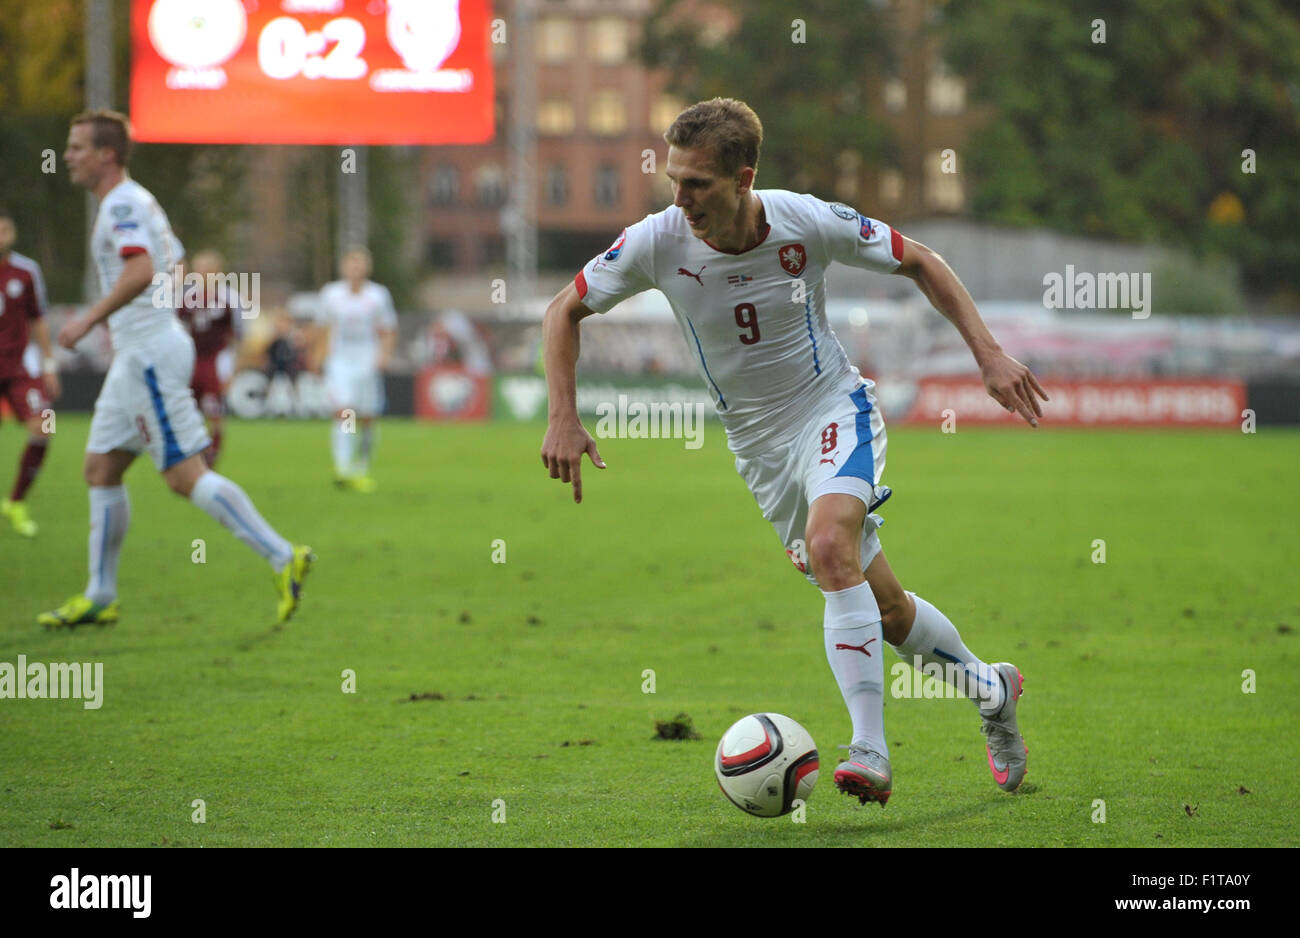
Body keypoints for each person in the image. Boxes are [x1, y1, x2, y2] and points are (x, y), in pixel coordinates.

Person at [540, 98, 1049, 806]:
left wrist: (989, 356)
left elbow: (921, 261)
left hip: (831, 408)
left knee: (831, 544)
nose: (680, 199)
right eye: (674, 180)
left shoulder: (806, 221)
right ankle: (993, 690)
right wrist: (563, 415)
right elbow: (562, 309)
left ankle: (869, 749)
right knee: (890, 610)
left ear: (744, 178)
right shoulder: (656, 242)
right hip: (759, 451)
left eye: (698, 185)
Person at [39, 109, 313, 629]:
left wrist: (89, 319)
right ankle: (100, 593)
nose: (68, 157)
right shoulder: (139, 200)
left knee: (184, 476)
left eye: (77, 148)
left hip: (147, 355)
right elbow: (175, 263)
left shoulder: (121, 204)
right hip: (142, 352)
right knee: (101, 469)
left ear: (107, 154)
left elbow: (142, 268)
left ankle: (283, 555)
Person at [314, 246, 396, 492]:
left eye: (360, 264)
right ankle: (343, 468)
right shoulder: (331, 294)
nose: (355, 269)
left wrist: (384, 355)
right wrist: (318, 356)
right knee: (345, 410)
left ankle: (362, 466)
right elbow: (323, 327)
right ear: (344, 268)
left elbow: (388, 329)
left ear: (367, 268)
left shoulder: (378, 295)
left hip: (368, 359)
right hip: (340, 360)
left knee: (368, 417)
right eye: (351, 264)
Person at [0, 206, 60, 537]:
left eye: (5, 230)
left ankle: (16, 501)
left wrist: (49, 365)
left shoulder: (26, 272)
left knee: (45, 426)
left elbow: (39, 319)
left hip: (20, 367)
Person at [176, 248, 239, 467]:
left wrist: (232, 368)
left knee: (215, 410)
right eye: (199, 269)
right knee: (188, 409)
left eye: (207, 270)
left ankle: (212, 453)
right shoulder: (185, 295)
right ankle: (192, 452)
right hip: (191, 359)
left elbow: (236, 336)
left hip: (216, 359)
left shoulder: (229, 297)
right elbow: (177, 328)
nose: (202, 274)